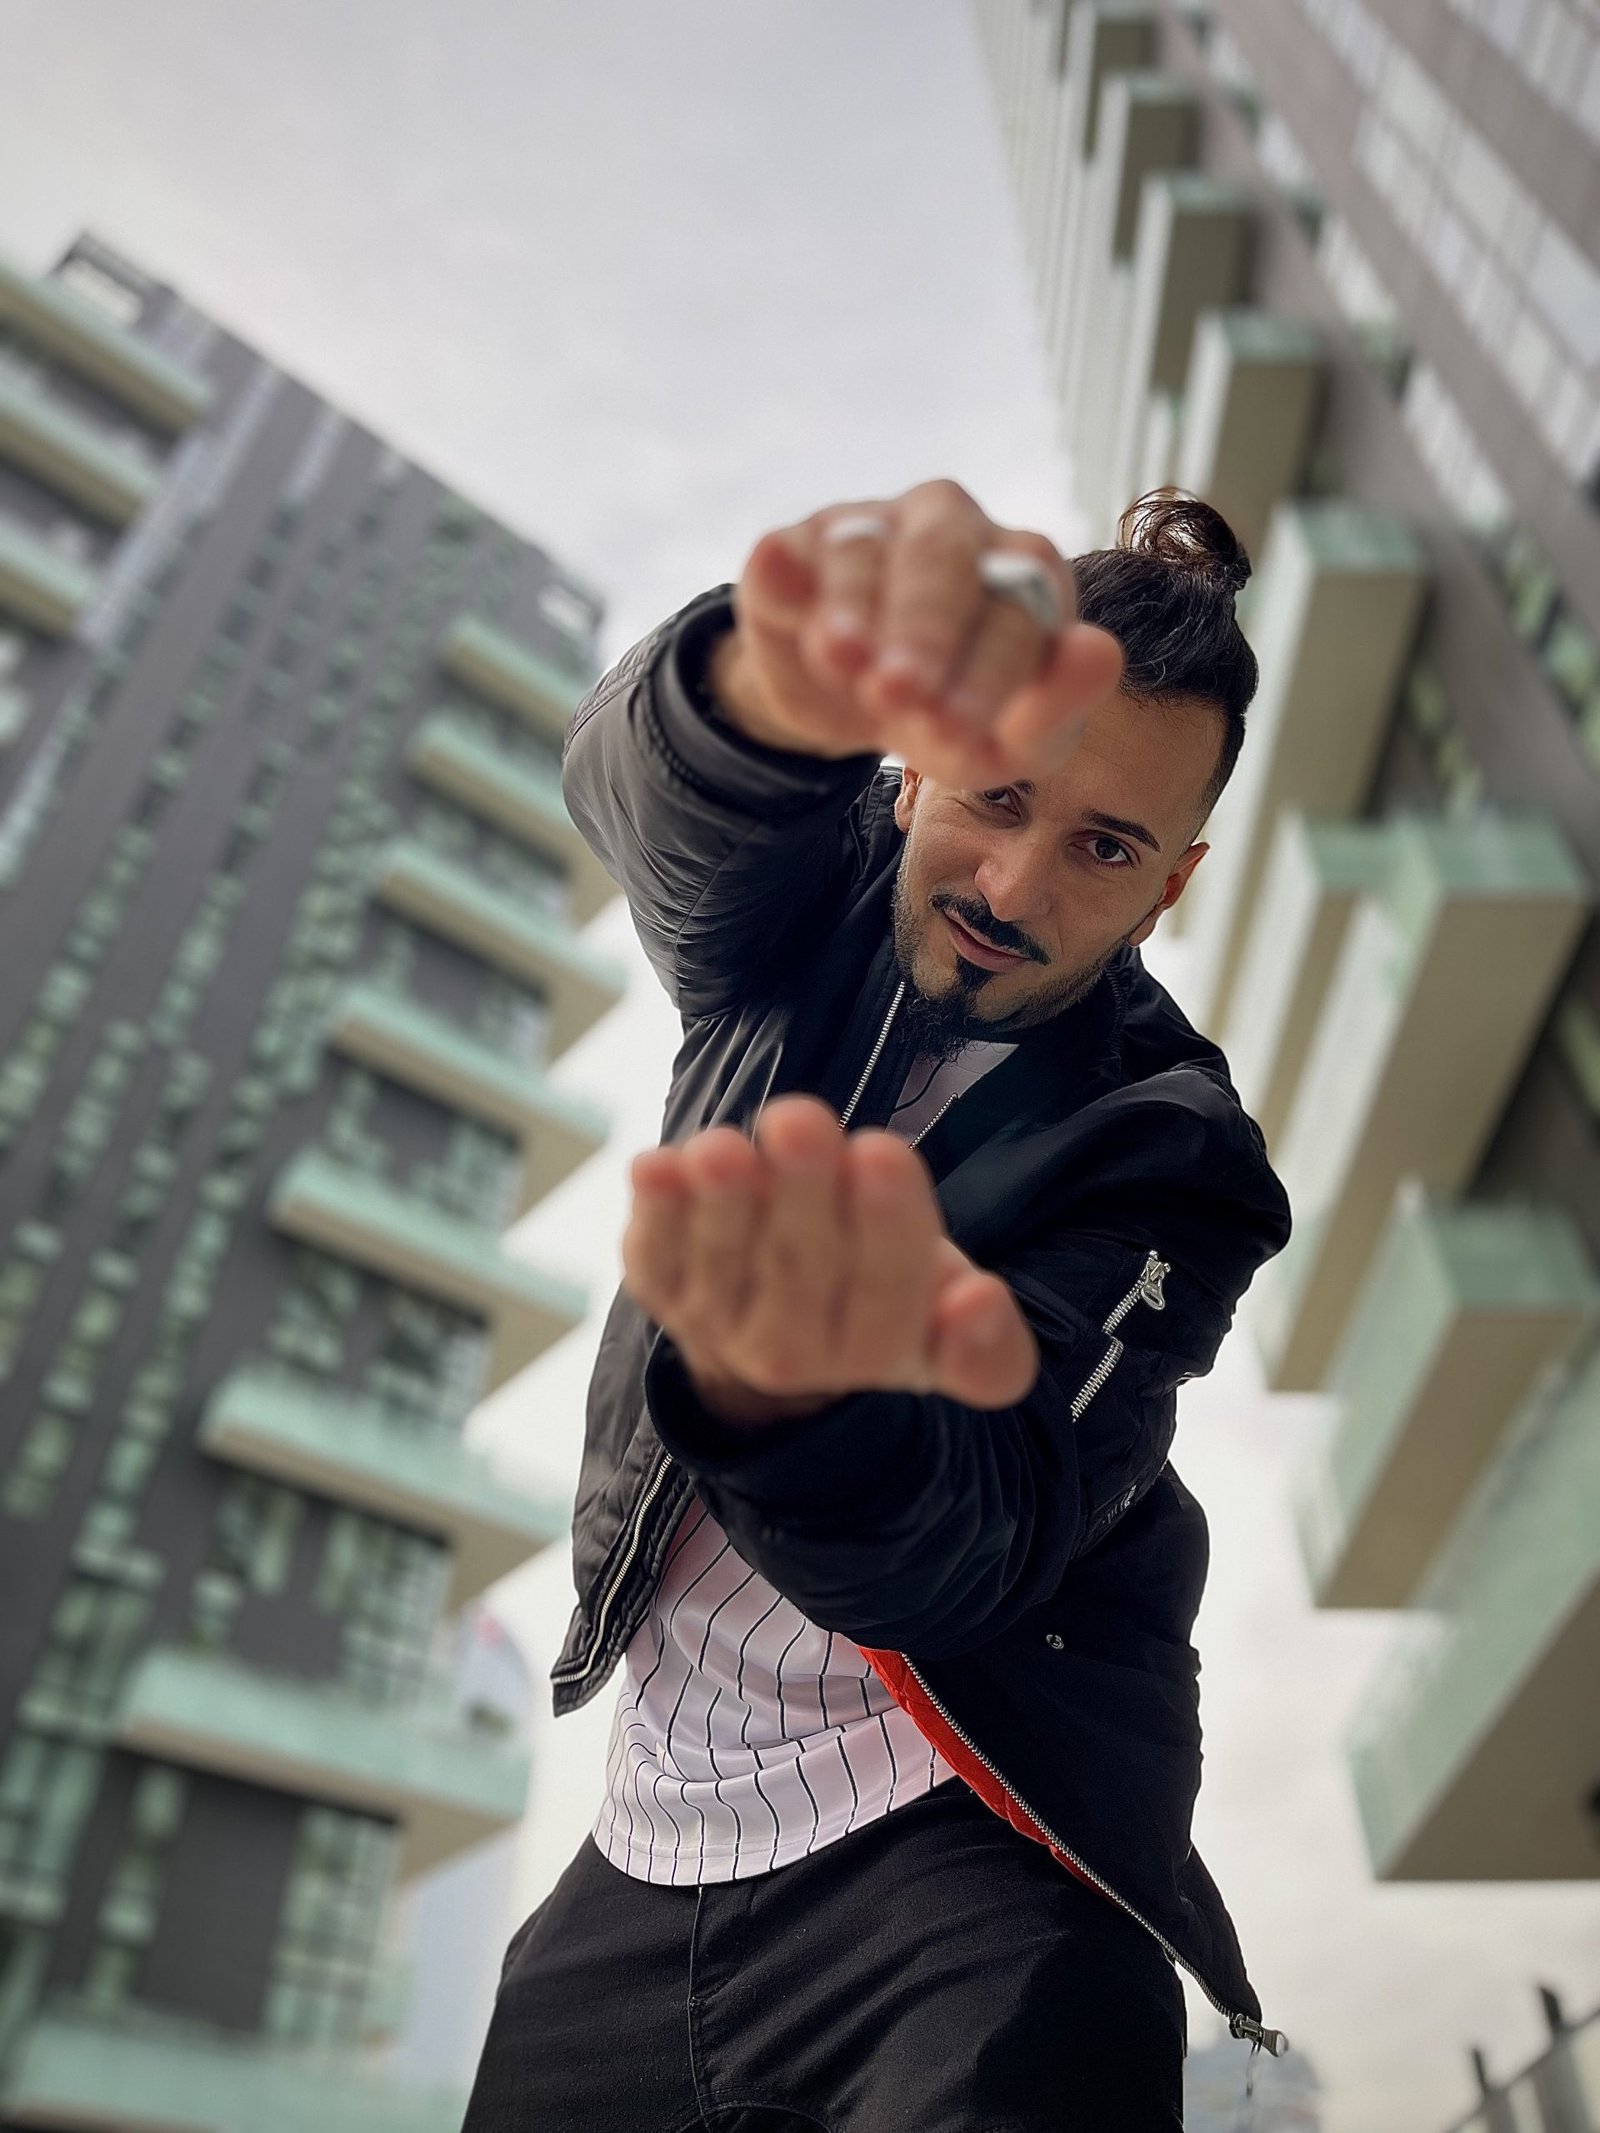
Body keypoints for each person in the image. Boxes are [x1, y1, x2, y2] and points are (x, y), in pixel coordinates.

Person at [462, 479, 1293, 2133]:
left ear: (1172, 882)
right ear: (914, 757)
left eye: (1104, 846)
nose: (1014, 882)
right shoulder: (801, 920)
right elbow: (660, 798)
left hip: (969, 1866)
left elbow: (987, 1529)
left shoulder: (1177, 1155)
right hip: (641, 1843)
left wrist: (797, 1402)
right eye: (998, 794)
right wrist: (766, 687)